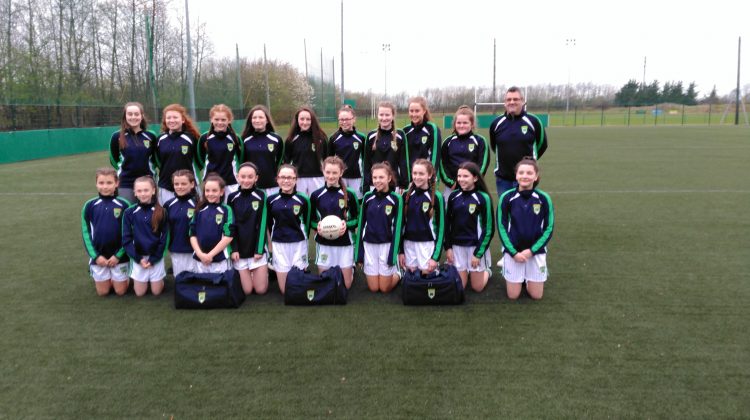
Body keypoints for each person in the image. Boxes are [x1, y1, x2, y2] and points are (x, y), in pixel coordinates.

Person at [497, 157, 554, 300]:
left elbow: (549, 228)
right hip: (513, 252)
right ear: (516, 176)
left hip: (535, 252)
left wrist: (531, 251)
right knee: (513, 296)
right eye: (521, 172)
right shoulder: (507, 197)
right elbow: (502, 227)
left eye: (529, 173)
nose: (525, 176)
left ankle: (527, 278)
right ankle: (510, 267)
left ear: (536, 176)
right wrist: (513, 252)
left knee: (536, 296)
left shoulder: (544, 198)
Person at [309, 156, 360, 289]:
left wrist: (346, 225)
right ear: (323, 171)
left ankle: (351, 268)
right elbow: (312, 221)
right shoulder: (316, 195)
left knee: (345, 286)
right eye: (328, 172)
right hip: (324, 243)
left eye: (334, 173)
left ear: (341, 173)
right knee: (326, 283)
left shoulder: (350, 194)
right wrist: (318, 227)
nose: (331, 176)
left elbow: (358, 219)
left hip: (345, 242)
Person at [489, 86, 548, 196]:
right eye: (509, 99)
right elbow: (494, 146)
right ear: (505, 103)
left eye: (515, 99)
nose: (512, 102)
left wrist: (530, 161)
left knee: (526, 206)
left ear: (522, 101)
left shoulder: (533, 121)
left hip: (527, 177)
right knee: (505, 206)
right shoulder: (496, 123)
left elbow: (542, 144)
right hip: (503, 179)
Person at [80, 168, 131, 296]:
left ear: (117, 183)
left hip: (119, 257)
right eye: (101, 183)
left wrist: (118, 255)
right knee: (103, 292)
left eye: (109, 183)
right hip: (99, 256)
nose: (105, 186)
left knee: (120, 291)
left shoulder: (124, 204)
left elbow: (129, 233)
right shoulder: (89, 205)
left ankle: (123, 277)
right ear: (96, 184)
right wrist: (96, 257)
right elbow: (86, 234)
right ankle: (105, 275)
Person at [445, 162, 494, 292]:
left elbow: (489, 229)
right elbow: (447, 223)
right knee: (460, 287)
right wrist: (448, 247)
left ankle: (487, 270)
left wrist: (478, 254)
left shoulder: (483, 198)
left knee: (477, 287)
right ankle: (467, 270)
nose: (461, 179)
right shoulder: (453, 196)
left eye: (465, 176)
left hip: (474, 247)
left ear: (475, 178)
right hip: (457, 246)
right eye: (459, 176)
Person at [355, 163, 403, 293]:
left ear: (389, 178)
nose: (377, 181)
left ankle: (399, 273)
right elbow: (361, 225)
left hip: (386, 245)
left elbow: (398, 228)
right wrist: (359, 254)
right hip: (369, 245)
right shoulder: (367, 197)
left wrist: (393, 255)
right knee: (374, 288)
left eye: (381, 177)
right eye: (375, 177)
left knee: (385, 288)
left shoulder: (396, 198)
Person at [266, 164, 311, 294]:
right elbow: (269, 224)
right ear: (277, 179)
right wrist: (271, 245)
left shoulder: (303, 199)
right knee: (285, 291)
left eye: (290, 177)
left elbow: (307, 222)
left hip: (298, 243)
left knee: (298, 288)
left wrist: (303, 239)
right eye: (283, 177)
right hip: (279, 244)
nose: (286, 181)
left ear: (296, 179)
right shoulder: (271, 200)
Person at [122, 176, 168, 297]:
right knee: (140, 293)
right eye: (139, 191)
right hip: (139, 258)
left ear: (153, 190)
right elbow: (126, 239)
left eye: (146, 190)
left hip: (155, 257)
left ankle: (159, 279)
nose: (143, 194)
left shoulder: (161, 212)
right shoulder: (129, 212)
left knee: (156, 292)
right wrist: (138, 259)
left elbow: (164, 238)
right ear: (135, 192)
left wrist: (154, 259)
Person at [227, 162, 269, 295]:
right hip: (240, 251)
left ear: (256, 178)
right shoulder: (232, 197)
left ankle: (262, 271)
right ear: (237, 177)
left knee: (260, 290)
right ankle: (249, 273)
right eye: (243, 176)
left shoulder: (261, 195)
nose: (246, 180)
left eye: (250, 177)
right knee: (247, 291)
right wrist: (234, 249)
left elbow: (263, 223)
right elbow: (230, 226)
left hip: (255, 249)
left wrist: (259, 249)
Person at [398, 159, 445, 275]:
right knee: (411, 278)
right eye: (414, 173)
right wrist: (401, 251)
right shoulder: (405, 195)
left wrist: (435, 257)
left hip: (427, 244)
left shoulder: (437, 197)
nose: (417, 177)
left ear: (429, 175)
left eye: (421, 174)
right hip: (408, 245)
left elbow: (442, 229)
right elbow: (400, 225)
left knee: (426, 277)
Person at [109, 102, 157, 203]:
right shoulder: (117, 136)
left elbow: (156, 159)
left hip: (147, 182)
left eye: (136, 114)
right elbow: (114, 159)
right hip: (126, 183)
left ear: (142, 116)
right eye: (130, 114)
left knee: (148, 211)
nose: (133, 117)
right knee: (127, 211)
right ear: (125, 116)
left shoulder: (151, 136)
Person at [155, 103, 202, 204]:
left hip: (189, 186)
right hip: (166, 186)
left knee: (193, 212)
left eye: (175, 117)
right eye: (168, 118)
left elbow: (200, 160)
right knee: (167, 212)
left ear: (183, 120)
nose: (172, 120)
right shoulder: (160, 139)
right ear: (165, 120)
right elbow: (158, 161)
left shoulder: (191, 138)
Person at [440, 106, 489, 198]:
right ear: (454, 124)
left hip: (474, 186)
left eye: (465, 123)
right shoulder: (448, 142)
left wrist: (473, 180)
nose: (461, 125)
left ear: (472, 124)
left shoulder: (480, 141)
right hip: (452, 187)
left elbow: (483, 165)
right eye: (459, 123)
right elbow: (442, 165)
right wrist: (451, 183)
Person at [189, 175, 234, 274]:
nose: (210, 194)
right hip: (200, 259)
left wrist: (210, 255)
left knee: (221, 283)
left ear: (221, 192)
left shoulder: (226, 210)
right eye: (207, 191)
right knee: (202, 283)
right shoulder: (199, 209)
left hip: (220, 260)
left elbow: (228, 236)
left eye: (214, 191)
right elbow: (192, 234)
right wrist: (200, 254)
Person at [198, 104, 241, 200]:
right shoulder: (205, 138)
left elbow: (241, 158)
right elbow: (200, 159)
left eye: (223, 120)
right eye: (216, 119)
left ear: (229, 120)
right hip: (210, 182)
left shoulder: (235, 138)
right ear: (211, 120)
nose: (220, 122)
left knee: (230, 208)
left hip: (231, 182)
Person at [363, 102, 408, 192]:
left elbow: (403, 161)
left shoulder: (400, 135)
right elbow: (367, 163)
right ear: (377, 115)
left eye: (387, 115)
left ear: (393, 116)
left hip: (394, 184)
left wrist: (404, 184)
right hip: (375, 184)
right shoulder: (371, 136)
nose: (384, 118)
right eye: (381, 115)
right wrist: (366, 184)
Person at [240, 105, 284, 196]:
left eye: (261, 117)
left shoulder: (276, 139)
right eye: (254, 117)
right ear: (250, 120)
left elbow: (280, 161)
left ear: (267, 120)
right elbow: (242, 162)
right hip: (252, 187)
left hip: (273, 186)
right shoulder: (244, 140)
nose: (257, 120)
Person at [285, 106, 327, 196]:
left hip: (318, 178)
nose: (305, 122)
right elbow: (286, 161)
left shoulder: (321, 138)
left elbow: (327, 159)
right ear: (297, 120)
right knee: (299, 203)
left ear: (313, 120)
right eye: (302, 119)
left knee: (316, 203)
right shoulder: (291, 139)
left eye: (308, 119)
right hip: (298, 179)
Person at [163, 170, 198, 277]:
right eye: (176, 184)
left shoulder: (198, 204)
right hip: (176, 248)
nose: (179, 187)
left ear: (192, 184)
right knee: (179, 279)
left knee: (195, 279)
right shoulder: (168, 205)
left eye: (183, 184)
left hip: (194, 250)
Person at [328, 105, 366, 198]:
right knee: (341, 202)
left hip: (357, 177)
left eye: (347, 119)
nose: (344, 122)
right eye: (341, 119)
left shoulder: (361, 138)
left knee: (356, 202)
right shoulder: (333, 138)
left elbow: (366, 159)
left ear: (354, 119)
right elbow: (329, 160)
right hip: (340, 177)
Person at [403, 97, 441, 173]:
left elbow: (435, 155)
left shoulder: (432, 129)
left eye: (417, 111)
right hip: (411, 175)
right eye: (411, 111)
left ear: (424, 111)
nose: (414, 114)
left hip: (426, 175)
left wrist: (431, 174)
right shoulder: (405, 130)